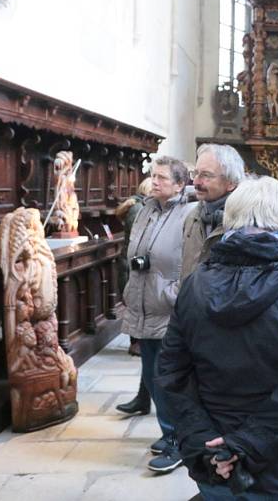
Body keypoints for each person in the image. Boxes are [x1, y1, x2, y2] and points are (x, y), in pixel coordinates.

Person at [157, 176, 278, 500]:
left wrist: (210, 443)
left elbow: (172, 374)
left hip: (215, 456)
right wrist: (246, 443)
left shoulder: (194, 285)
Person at [121, 156, 195, 473]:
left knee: (169, 380)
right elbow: (135, 250)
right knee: (153, 378)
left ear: (180, 184)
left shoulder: (189, 212)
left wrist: (174, 293)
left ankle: (181, 441)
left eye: (163, 177)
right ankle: (169, 433)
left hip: (169, 306)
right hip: (143, 300)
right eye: (153, 176)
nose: (155, 181)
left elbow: (194, 259)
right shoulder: (147, 208)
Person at [114, 176, 152, 416]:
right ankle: (143, 398)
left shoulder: (141, 208)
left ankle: (144, 398)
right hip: (137, 269)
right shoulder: (139, 210)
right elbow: (139, 246)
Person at [181, 144, 245, 279]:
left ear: (231, 183)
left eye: (206, 175)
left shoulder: (246, 223)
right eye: (195, 173)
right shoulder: (192, 216)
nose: (196, 182)